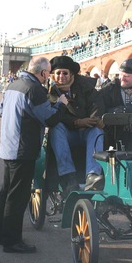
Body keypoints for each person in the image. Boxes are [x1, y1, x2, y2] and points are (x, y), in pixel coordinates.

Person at [0, 57, 67, 253]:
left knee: (6, 193)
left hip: (8, 145)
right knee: (18, 197)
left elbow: (2, 111)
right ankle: (12, 241)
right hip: (23, 149)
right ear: (43, 73)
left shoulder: (14, 84)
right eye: (49, 73)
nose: (49, 77)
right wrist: (60, 103)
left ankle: (3, 235)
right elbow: (50, 118)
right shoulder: (34, 89)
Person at [46, 55, 105, 193]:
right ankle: (68, 176)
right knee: (56, 129)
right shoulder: (49, 92)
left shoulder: (85, 87)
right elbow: (54, 115)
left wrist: (94, 119)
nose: (62, 76)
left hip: (86, 130)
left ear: (71, 74)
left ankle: (93, 175)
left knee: (97, 131)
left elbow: (96, 103)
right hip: (67, 132)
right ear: (53, 75)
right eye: (58, 73)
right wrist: (76, 122)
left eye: (65, 73)